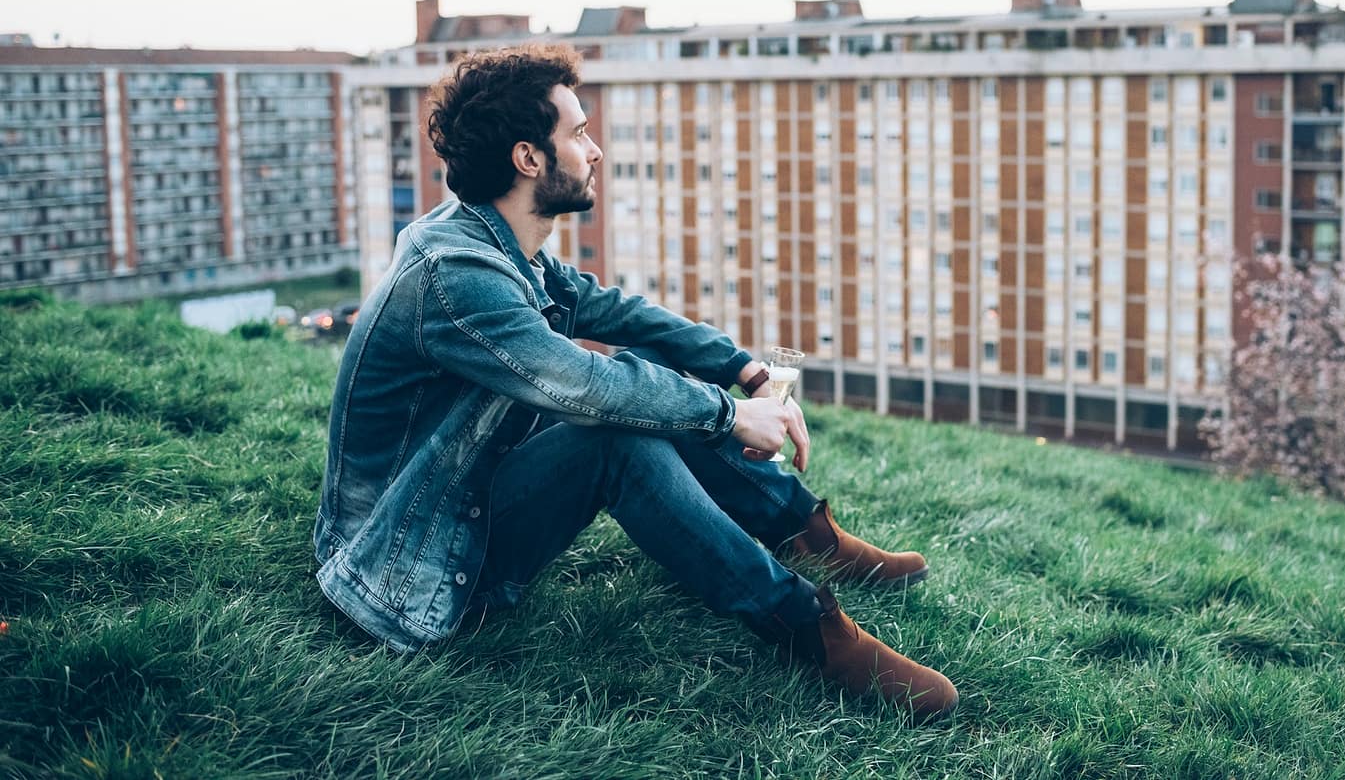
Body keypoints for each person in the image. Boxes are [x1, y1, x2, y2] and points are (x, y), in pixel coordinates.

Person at [312, 43, 957, 720]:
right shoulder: (459, 277)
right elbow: (586, 383)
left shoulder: (490, 239)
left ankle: (809, 537)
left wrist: (744, 369)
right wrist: (729, 414)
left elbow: (606, 308)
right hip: (403, 561)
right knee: (620, 432)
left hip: (458, 493)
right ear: (529, 159)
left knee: (645, 396)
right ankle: (808, 626)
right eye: (578, 133)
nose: (593, 151)